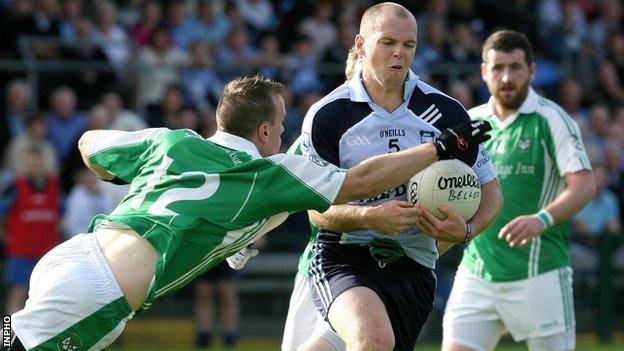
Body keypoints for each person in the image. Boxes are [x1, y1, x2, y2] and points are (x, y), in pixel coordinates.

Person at [9, 75, 491, 351]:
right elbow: (360, 182)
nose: (284, 135)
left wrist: (129, 178)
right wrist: (441, 147)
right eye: (282, 126)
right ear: (264, 131)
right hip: (103, 291)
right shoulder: (268, 174)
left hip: (73, 257)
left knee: (13, 329)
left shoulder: (171, 141)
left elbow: (88, 144)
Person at [279, 3, 502, 351]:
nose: (400, 53)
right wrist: (371, 217)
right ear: (360, 44)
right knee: (374, 339)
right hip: (344, 253)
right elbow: (316, 211)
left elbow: (490, 189)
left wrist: (468, 231)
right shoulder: (329, 114)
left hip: (414, 265)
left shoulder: (446, 112)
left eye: (409, 45)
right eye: (387, 42)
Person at [442, 29, 596, 351]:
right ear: (484, 71)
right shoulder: (471, 123)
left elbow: (585, 184)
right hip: (477, 271)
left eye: (515, 67)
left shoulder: (551, 119)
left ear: (532, 71)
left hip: (539, 275)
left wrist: (541, 219)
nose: (506, 77)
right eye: (498, 68)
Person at [1, 146, 61, 315]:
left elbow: (61, 215)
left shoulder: (54, 186)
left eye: (36, 162)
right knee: (16, 299)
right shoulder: (15, 186)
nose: (33, 166)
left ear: (42, 162)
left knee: (46, 300)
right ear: (24, 164)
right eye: (29, 163)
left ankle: (36, 342)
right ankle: (6, 340)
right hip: (21, 253)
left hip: (47, 254)